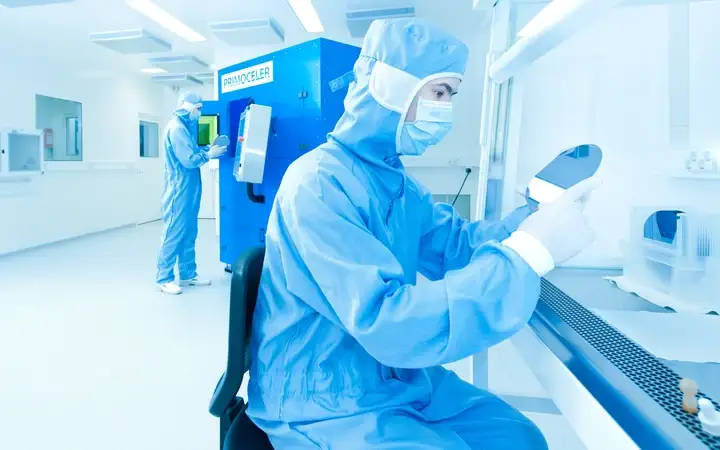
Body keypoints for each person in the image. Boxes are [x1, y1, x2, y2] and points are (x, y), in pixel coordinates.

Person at [246, 18, 600, 449]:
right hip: (323, 394)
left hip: (390, 376)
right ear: (392, 88)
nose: (446, 109)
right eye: (440, 93)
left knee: (520, 438)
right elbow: (386, 321)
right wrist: (530, 252)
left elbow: (459, 245)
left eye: (450, 95)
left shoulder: (393, 182)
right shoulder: (317, 184)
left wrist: (533, 217)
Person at [156, 92, 227, 295]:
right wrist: (208, 154)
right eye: (199, 108)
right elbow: (188, 160)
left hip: (189, 189)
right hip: (179, 190)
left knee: (189, 233)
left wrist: (207, 148)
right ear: (189, 107)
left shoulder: (184, 127)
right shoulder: (177, 128)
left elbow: (191, 150)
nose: (200, 112)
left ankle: (187, 274)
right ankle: (164, 278)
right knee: (174, 233)